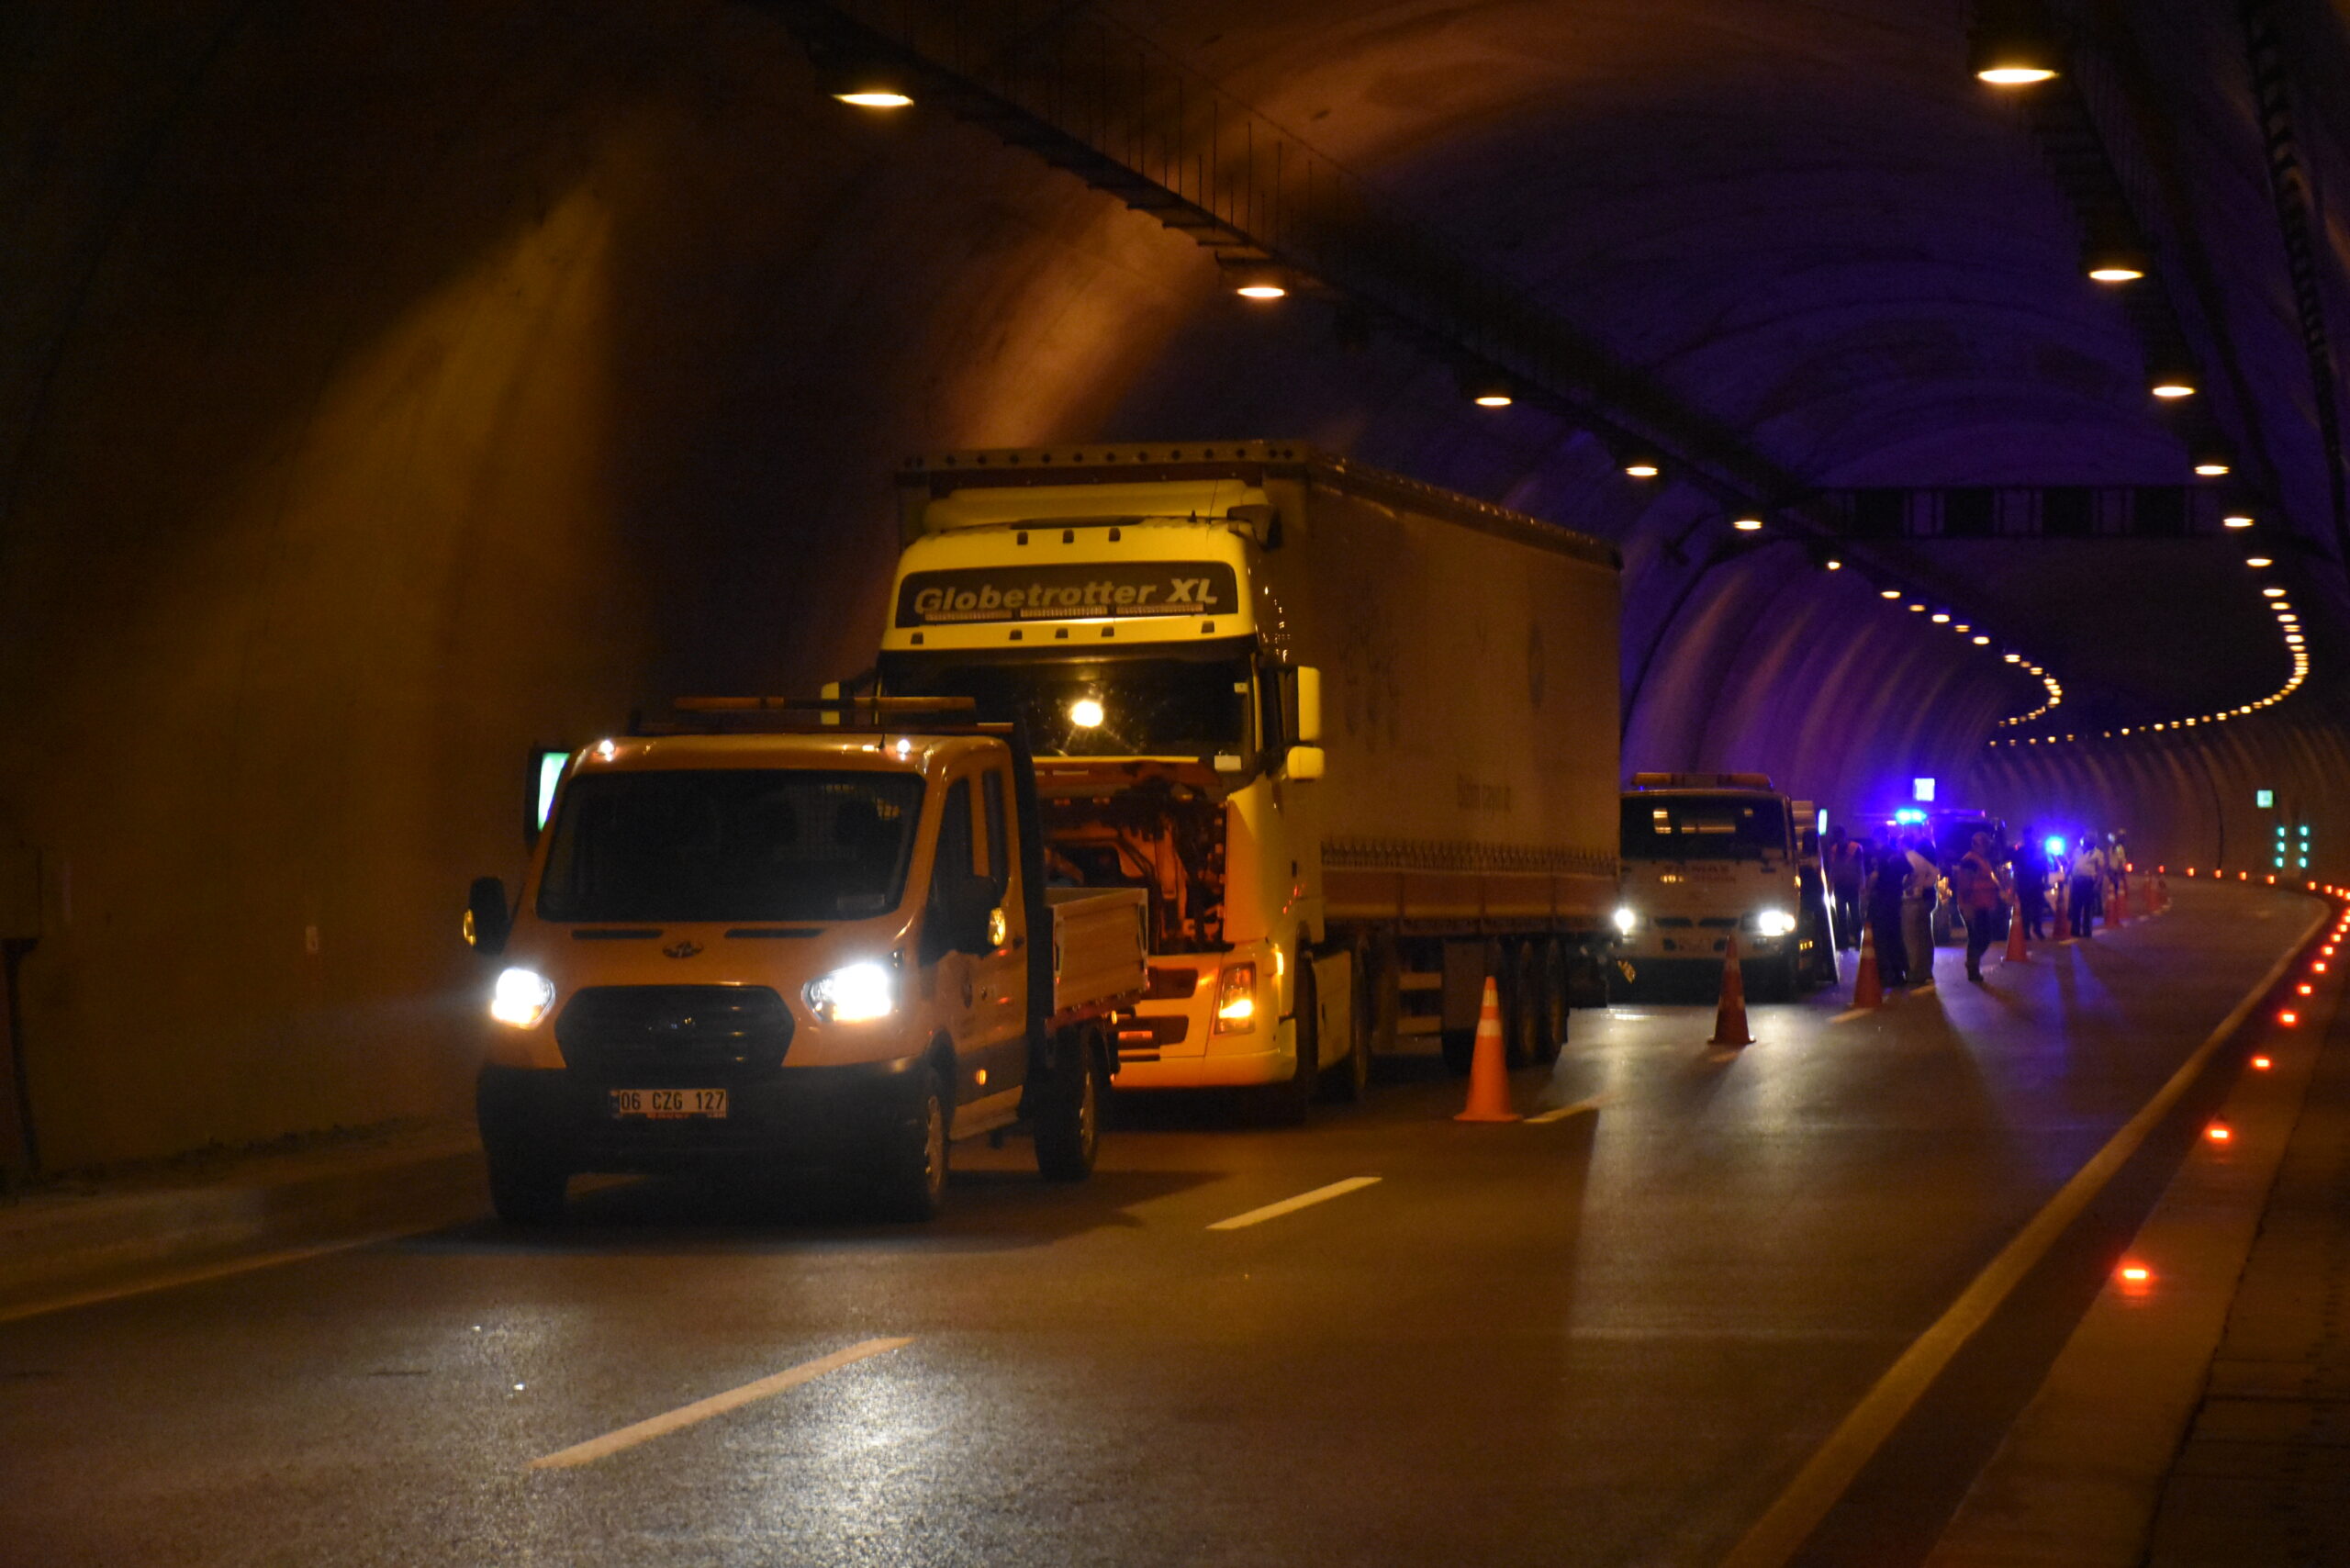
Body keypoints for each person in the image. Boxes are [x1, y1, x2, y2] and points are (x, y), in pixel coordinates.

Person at [1953, 830, 2008, 982]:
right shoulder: (1971, 861)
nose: (1987, 848)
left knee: (1981, 937)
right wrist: (1967, 906)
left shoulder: (1979, 860)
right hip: (1974, 905)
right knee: (1979, 938)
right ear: (1979, 845)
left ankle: (1972, 965)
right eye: (1985, 844)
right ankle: (1972, 967)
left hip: (1981, 904)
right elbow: (1965, 885)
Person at [1866, 842, 1908, 986]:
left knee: (1881, 943)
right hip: (1894, 909)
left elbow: (1869, 891)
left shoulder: (1878, 875)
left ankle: (1886, 975)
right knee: (1895, 940)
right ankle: (1899, 973)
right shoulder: (1896, 870)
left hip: (1880, 911)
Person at [1902, 834, 1941, 986]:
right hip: (1928, 899)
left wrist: (1916, 886)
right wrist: (1926, 884)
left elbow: (1905, 880)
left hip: (1913, 901)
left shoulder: (1909, 858)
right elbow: (1935, 873)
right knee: (1925, 936)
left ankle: (1914, 972)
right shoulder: (1923, 859)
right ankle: (1927, 970)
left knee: (1912, 938)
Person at [1826, 825, 1864, 949]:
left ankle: (1859, 941)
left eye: (1839, 836)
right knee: (1841, 916)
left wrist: (1862, 884)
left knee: (1855, 915)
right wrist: (1830, 886)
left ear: (1844, 836)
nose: (1838, 839)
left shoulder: (1855, 848)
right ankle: (1844, 942)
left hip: (1852, 886)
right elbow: (1832, 869)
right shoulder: (1834, 849)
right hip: (1840, 887)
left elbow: (1860, 867)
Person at [2013, 824, 2051, 940]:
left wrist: (2046, 880)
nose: (2028, 838)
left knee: (2036, 909)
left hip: (2035, 882)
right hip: (2026, 883)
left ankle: (2036, 930)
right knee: (2027, 909)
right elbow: (2016, 868)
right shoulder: (2021, 851)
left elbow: (2045, 867)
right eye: (2027, 835)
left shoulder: (2038, 850)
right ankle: (2028, 931)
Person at [2069, 835, 2105, 939]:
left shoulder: (2098, 853)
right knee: (2076, 907)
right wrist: (2067, 875)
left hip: (2088, 882)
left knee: (2088, 908)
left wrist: (2098, 883)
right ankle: (2075, 930)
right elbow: (2072, 864)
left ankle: (2087, 931)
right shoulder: (2077, 850)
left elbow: (2100, 869)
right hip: (2077, 881)